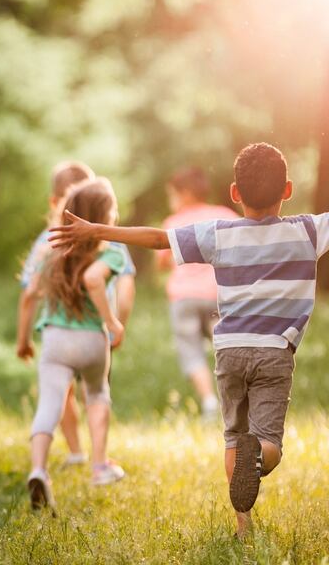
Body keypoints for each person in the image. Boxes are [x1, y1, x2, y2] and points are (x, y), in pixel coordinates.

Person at [49, 143, 320, 538]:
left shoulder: (218, 235)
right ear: (289, 190)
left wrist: (97, 230)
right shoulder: (308, 230)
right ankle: (257, 456)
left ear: (234, 193)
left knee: (233, 435)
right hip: (275, 351)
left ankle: (243, 525)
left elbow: (159, 239)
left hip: (229, 351)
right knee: (266, 444)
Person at [16, 179, 127, 511]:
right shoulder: (111, 249)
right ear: (104, 215)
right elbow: (94, 279)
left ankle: (38, 469)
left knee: (48, 404)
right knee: (96, 395)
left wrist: (23, 340)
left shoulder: (51, 250)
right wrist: (112, 321)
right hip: (92, 340)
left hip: (55, 340)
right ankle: (99, 466)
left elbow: (29, 295)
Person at [156, 168, 239, 418]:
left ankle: (209, 402)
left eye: (172, 194)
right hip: (218, 296)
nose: (171, 201)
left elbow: (161, 262)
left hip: (185, 300)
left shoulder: (172, 223)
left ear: (185, 194)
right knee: (224, 347)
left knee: (191, 350)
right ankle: (235, 399)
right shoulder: (223, 215)